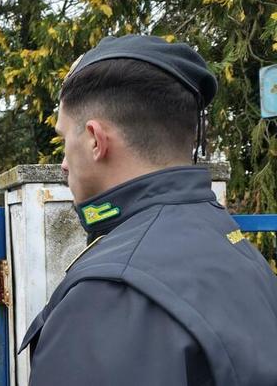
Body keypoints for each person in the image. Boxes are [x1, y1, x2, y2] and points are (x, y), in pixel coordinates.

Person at [18, 35, 277, 385]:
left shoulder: (108, 296)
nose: (63, 163)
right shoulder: (231, 244)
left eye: (66, 139)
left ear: (95, 139)